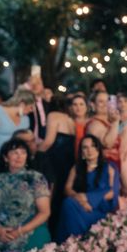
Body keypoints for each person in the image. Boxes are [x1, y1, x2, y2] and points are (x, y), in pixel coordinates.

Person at [55, 135, 119, 243]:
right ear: (82, 152)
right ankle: (77, 245)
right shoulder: (77, 168)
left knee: (69, 206)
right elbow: (67, 188)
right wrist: (80, 200)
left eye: (93, 146)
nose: (90, 150)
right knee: (68, 203)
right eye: (85, 147)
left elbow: (112, 193)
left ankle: (75, 244)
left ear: (98, 149)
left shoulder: (109, 167)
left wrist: (88, 198)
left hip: (100, 210)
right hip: (82, 207)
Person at [38, 96, 76, 234]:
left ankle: (46, 231)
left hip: (54, 160)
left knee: (49, 195)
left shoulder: (53, 115)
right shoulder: (72, 119)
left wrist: (34, 155)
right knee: (60, 196)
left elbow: (48, 141)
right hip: (68, 161)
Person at [86, 90, 121, 168]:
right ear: (93, 105)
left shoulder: (108, 122)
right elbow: (108, 144)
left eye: (107, 101)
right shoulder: (94, 124)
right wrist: (116, 122)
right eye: (101, 101)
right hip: (103, 169)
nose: (105, 104)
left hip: (113, 166)